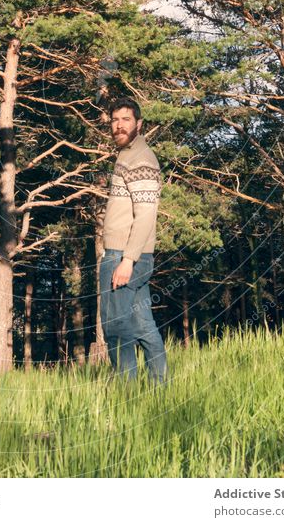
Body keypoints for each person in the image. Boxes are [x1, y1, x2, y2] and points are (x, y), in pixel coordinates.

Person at [99, 96, 167, 382]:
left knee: (116, 327)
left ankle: (127, 396)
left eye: (126, 119)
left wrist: (127, 261)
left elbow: (146, 215)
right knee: (142, 326)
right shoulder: (127, 154)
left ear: (139, 124)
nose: (119, 125)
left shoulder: (140, 158)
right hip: (131, 255)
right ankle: (159, 390)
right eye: (115, 120)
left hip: (124, 256)